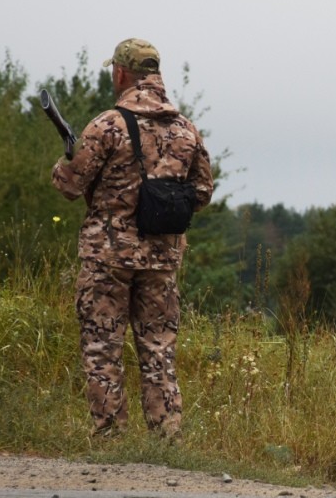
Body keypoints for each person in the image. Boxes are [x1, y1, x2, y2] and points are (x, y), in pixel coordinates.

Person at [51, 37, 214, 439]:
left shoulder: (107, 125)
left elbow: (70, 185)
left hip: (108, 258)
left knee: (102, 345)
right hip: (162, 259)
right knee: (159, 348)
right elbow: (204, 192)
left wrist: (64, 164)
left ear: (122, 73)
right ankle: (168, 435)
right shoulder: (186, 130)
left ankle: (109, 435)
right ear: (155, 75)